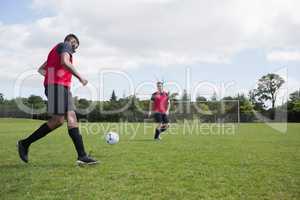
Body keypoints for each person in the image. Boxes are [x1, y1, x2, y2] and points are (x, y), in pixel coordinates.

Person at [17, 34, 98, 165]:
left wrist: (51, 77)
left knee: (58, 120)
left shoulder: (57, 49)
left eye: (76, 44)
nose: (74, 44)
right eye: (73, 42)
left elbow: (41, 69)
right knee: (71, 116)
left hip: (58, 87)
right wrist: (80, 77)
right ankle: (82, 156)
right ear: (69, 42)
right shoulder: (65, 46)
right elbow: (65, 62)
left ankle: (24, 143)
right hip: (58, 87)